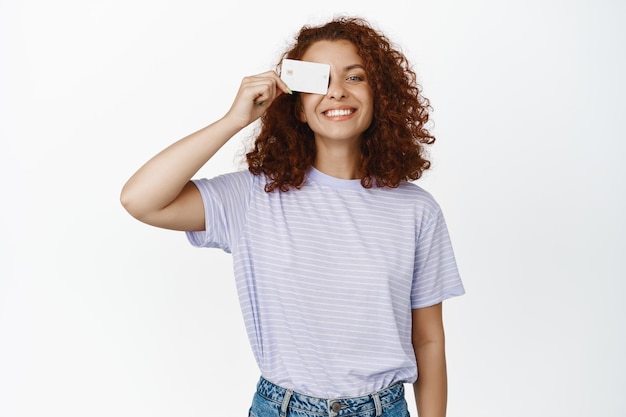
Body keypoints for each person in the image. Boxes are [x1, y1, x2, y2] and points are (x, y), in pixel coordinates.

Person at [121, 16, 464, 417]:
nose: (337, 92)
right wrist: (234, 120)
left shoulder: (416, 210)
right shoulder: (253, 196)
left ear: (380, 95)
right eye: (320, 81)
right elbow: (140, 199)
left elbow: (427, 339)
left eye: (355, 77)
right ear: (298, 108)